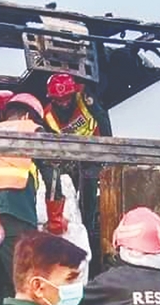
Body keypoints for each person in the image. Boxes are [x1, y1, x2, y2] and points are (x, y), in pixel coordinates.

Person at [0, 92, 45, 305]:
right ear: (27, 116)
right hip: (13, 212)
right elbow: (51, 160)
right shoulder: (29, 128)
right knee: (25, 280)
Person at [42, 72, 112, 237]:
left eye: (67, 98)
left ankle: (87, 227)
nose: (64, 103)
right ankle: (68, 222)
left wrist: (108, 148)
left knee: (89, 187)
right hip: (70, 156)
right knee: (66, 186)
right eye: (59, 100)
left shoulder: (84, 96)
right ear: (52, 99)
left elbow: (101, 117)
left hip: (92, 150)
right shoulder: (48, 115)